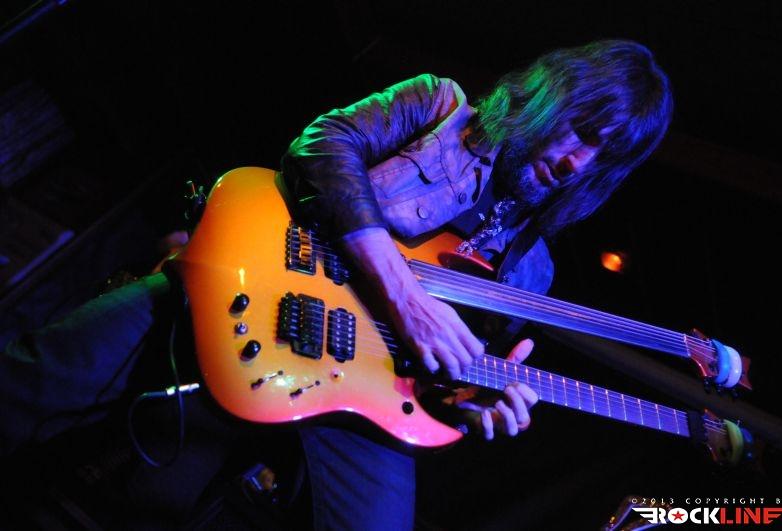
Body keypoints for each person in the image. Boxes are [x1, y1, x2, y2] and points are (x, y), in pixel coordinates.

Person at [0, 39, 672, 529]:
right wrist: (401, 292)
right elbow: (322, 146)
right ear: (555, 95)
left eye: (602, 157)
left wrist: (473, 403)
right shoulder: (440, 105)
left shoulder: (533, 271)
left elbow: (434, 379)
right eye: (583, 132)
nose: (578, 163)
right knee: (30, 381)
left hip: (355, 397)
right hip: (250, 289)